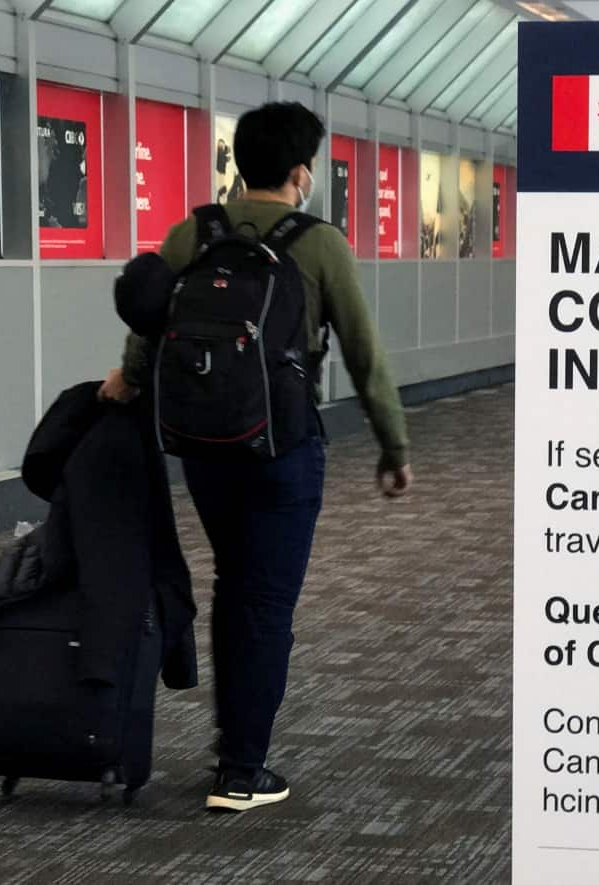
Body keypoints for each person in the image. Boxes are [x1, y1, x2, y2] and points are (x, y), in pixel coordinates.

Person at [99, 102, 413, 813]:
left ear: (241, 163)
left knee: (234, 586)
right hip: (284, 448)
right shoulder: (319, 244)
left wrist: (128, 376)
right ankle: (242, 769)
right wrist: (393, 444)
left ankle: (231, 745)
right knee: (265, 602)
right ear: (302, 173)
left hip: (205, 449)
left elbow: (150, 319)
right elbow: (364, 352)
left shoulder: (195, 231)